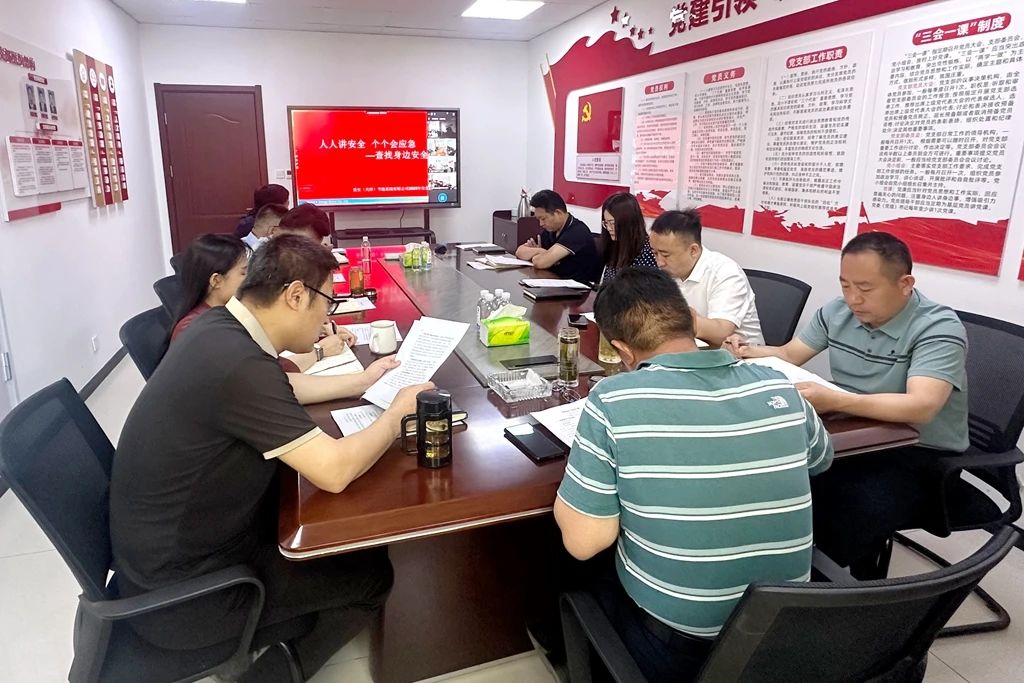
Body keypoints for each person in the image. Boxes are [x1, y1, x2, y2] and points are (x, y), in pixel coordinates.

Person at [110, 235, 433, 682]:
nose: (327, 319)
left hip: (164, 553)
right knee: (370, 576)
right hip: (188, 594)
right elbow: (334, 471)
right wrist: (397, 415)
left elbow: (284, 388)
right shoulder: (237, 362)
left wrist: (361, 383)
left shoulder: (220, 328)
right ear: (295, 295)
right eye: (327, 304)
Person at [554, 267, 832, 682]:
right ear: (690, 320)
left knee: (576, 571)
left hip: (681, 651)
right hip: (783, 634)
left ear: (623, 351)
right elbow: (821, 460)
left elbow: (584, 543)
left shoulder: (611, 400)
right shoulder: (777, 385)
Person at [724, 231, 968, 578]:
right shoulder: (837, 312)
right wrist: (747, 350)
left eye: (865, 288)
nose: (853, 299)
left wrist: (837, 400)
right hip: (854, 433)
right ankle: (777, 566)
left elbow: (921, 406)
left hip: (918, 452)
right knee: (774, 477)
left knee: (844, 507)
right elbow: (790, 355)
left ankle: (824, 586)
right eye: (845, 285)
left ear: (905, 284)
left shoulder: (937, 328)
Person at [171, 233, 353, 373]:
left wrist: (313, 326)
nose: (252, 277)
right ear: (216, 281)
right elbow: (274, 371)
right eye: (244, 272)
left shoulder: (223, 317)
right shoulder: (206, 331)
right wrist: (320, 350)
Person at [648, 209, 763, 347]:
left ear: (693, 250)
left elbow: (721, 332)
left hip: (740, 355)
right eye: (655, 253)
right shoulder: (667, 272)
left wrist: (671, 318)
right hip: (691, 349)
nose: (659, 262)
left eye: (666, 255)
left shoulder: (725, 272)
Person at [515, 189, 601, 284]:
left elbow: (540, 262)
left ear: (558, 213)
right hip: (552, 281)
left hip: (576, 288)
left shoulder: (578, 231)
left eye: (543, 218)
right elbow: (519, 251)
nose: (541, 224)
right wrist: (541, 251)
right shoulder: (551, 229)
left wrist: (539, 255)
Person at [599, 192, 657, 283]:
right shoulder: (614, 245)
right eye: (606, 223)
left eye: (612, 223)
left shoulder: (647, 253)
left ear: (628, 222)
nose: (609, 228)